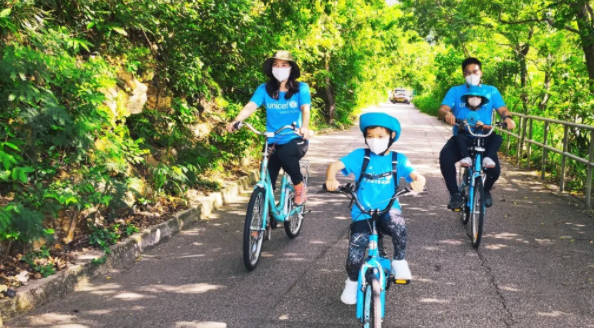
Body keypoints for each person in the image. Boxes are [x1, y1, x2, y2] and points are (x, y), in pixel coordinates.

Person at [325, 112, 426, 305]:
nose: (374, 141)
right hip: (362, 212)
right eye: (370, 136)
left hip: (388, 210)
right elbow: (335, 165)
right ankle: (352, 282)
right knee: (355, 254)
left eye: (380, 136)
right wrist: (331, 178)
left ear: (392, 137)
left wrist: (418, 182)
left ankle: (399, 261)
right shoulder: (359, 156)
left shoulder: (398, 159)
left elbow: (417, 176)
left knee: (399, 227)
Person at [226, 51, 311, 205]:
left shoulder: (301, 88)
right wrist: (236, 121)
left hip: (295, 138)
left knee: (285, 154)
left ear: (291, 68)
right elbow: (251, 106)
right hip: (272, 141)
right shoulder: (264, 89)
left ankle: (299, 187)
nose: (279, 68)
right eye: (276, 65)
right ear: (271, 68)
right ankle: (263, 222)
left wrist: (304, 127)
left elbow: (306, 109)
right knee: (266, 181)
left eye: (284, 65)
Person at [438, 58, 516, 210]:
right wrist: (447, 114)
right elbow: (442, 109)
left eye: (475, 71)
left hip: (485, 137)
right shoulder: (455, 91)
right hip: (462, 137)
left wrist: (508, 118)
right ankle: (455, 195)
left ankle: (485, 190)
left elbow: (503, 110)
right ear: (463, 74)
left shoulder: (491, 91)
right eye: (468, 72)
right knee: (445, 157)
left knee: (495, 171)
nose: (472, 75)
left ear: (481, 72)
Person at [455, 86, 503, 168]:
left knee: (498, 138)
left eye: (477, 96)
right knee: (459, 137)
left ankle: (487, 158)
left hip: (482, 138)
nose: (474, 98)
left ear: (481, 99)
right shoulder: (463, 111)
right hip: (468, 138)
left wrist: (482, 126)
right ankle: (467, 158)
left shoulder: (485, 112)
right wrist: (463, 124)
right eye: (471, 96)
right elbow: (458, 127)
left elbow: (488, 127)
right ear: (467, 98)